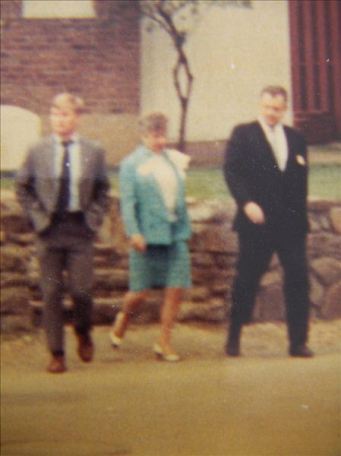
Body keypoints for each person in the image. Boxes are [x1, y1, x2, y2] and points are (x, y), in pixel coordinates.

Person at [16, 93, 110, 373]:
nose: (59, 120)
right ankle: (56, 353)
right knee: (51, 292)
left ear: (77, 118)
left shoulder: (94, 151)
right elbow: (22, 187)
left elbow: (102, 191)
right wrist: (38, 218)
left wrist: (93, 219)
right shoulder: (37, 150)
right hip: (49, 230)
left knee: (81, 291)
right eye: (55, 114)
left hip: (79, 229)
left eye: (66, 114)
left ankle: (83, 330)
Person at [223, 85, 313, 358]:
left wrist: (300, 218)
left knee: (298, 279)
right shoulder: (243, 134)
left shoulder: (296, 139)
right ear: (260, 106)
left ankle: (298, 342)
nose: (271, 113)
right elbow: (232, 171)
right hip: (257, 223)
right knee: (247, 279)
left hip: (291, 226)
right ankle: (234, 337)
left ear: (284, 109)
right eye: (267, 107)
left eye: (277, 108)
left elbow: (301, 183)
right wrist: (246, 203)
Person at [109, 113, 191, 361]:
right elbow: (128, 203)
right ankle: (124, 317)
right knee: (140, 292)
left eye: (164, 135)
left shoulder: (173, 160)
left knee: (175, 288)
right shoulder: (131, 164)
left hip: (175, 233)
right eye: (155, 135)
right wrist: (134, 232)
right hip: (146, 235)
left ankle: (164, 341)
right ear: (144, 135)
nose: (161, 140)